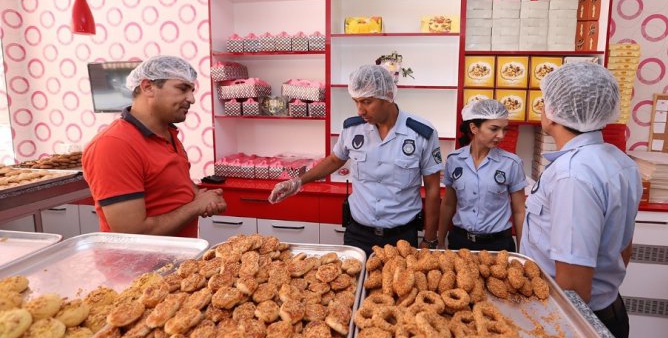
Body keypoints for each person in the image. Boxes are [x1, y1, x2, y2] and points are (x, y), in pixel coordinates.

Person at [518, 62, 642, 338]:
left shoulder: (572, 176)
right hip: (608, 307)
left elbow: (574, 286)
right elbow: (624, 248)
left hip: (576, 320)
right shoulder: (619, 161)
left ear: (552, 113)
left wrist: (551, 336)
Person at [268, 65, 443, 257]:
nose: (360, 110)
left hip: (400, 237)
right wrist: (298, 182)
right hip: (358, 234)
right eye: (356, 101)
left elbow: (433, 189)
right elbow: (335, 159)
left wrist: (429, 239)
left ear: (388, 95)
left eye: (367, 101)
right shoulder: (353, 129)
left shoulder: (421, 133)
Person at [82, 55, 227, 238]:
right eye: (182, 88)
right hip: (139, 266)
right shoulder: (113, 145)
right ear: (148, 87)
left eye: (191, 90)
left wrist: (202, 196)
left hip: (177, 260)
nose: (191, 99)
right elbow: (131, 233)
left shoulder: (168, 134)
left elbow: (174, 184)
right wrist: (196, 206)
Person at [438, 99, 526, 251]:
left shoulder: (511, 163)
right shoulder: (454, 160)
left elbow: (519, 211)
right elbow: (448, 204)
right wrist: (439, 242)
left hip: (498, 245)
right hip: (460, 243)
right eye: (494, 129)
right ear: (474, 128)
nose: (501, 135)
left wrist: (523, 250)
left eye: (504, 129)